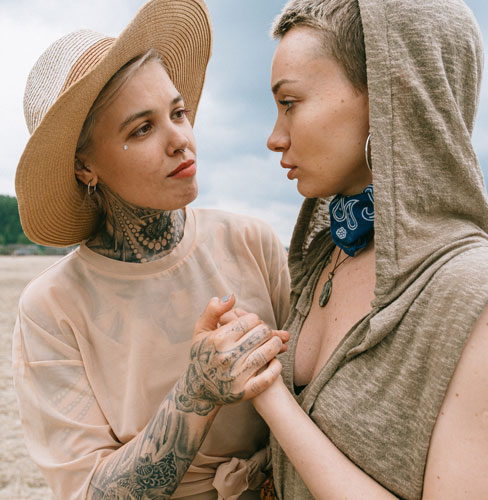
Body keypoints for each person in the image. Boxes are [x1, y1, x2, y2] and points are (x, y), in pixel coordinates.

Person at [12, 1, 290, 499]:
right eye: (142, 129)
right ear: (84, 168)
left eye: (178, 113)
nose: (181, 140)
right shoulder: (50, 309)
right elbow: (91, 493)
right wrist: (195, 393)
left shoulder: (253, 242)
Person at [252, 0, 488, 499]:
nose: (274, 137)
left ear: (392, 95)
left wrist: (267, 393)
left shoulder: (479, 299)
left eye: (291, 102)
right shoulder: (326, 256)